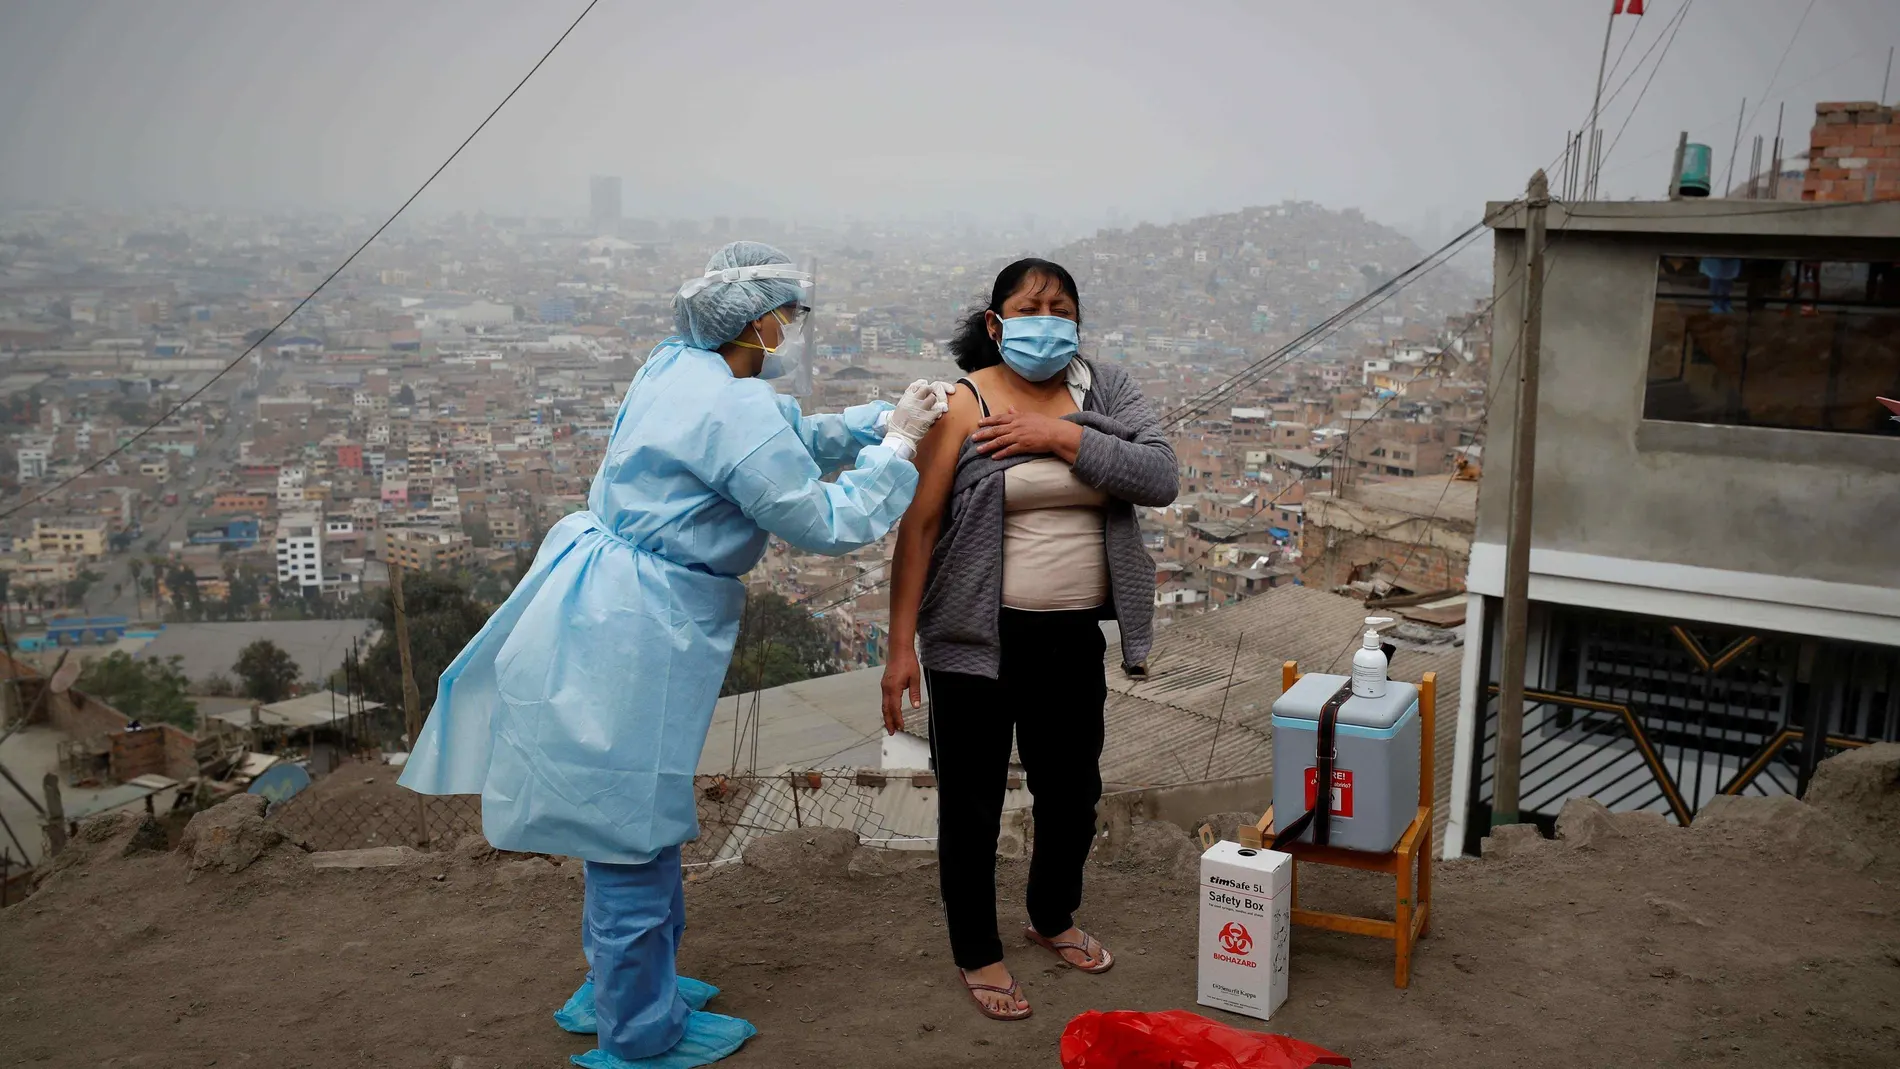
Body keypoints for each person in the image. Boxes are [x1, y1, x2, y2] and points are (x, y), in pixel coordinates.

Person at [400, 241, 953, 1068]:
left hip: (606, 595)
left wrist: (877, 420)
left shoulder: (678, 368)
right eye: (789, 316)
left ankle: (625, 981)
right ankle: (637, 1029)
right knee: (630, 816)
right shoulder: (733, 409)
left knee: (622, 809)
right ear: (758, 320)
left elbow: (782, 437)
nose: (792, 330)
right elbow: (824, 520)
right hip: (638, 623)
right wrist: (900, 447)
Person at [879, 258, 1178, 1021]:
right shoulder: (964, 402)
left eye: (1060, 305)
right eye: (1029, 305)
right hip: (974, 636)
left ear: (1078, 321)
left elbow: (1158, 474)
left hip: (1072, 635)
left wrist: (1058, 434)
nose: (1046, 317)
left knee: (1073, 792)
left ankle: (1052, 916)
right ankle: (978, 950)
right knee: (973, 803)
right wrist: (898, 647)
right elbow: (918, 528)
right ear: (995, 323)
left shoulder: (1103, 392)